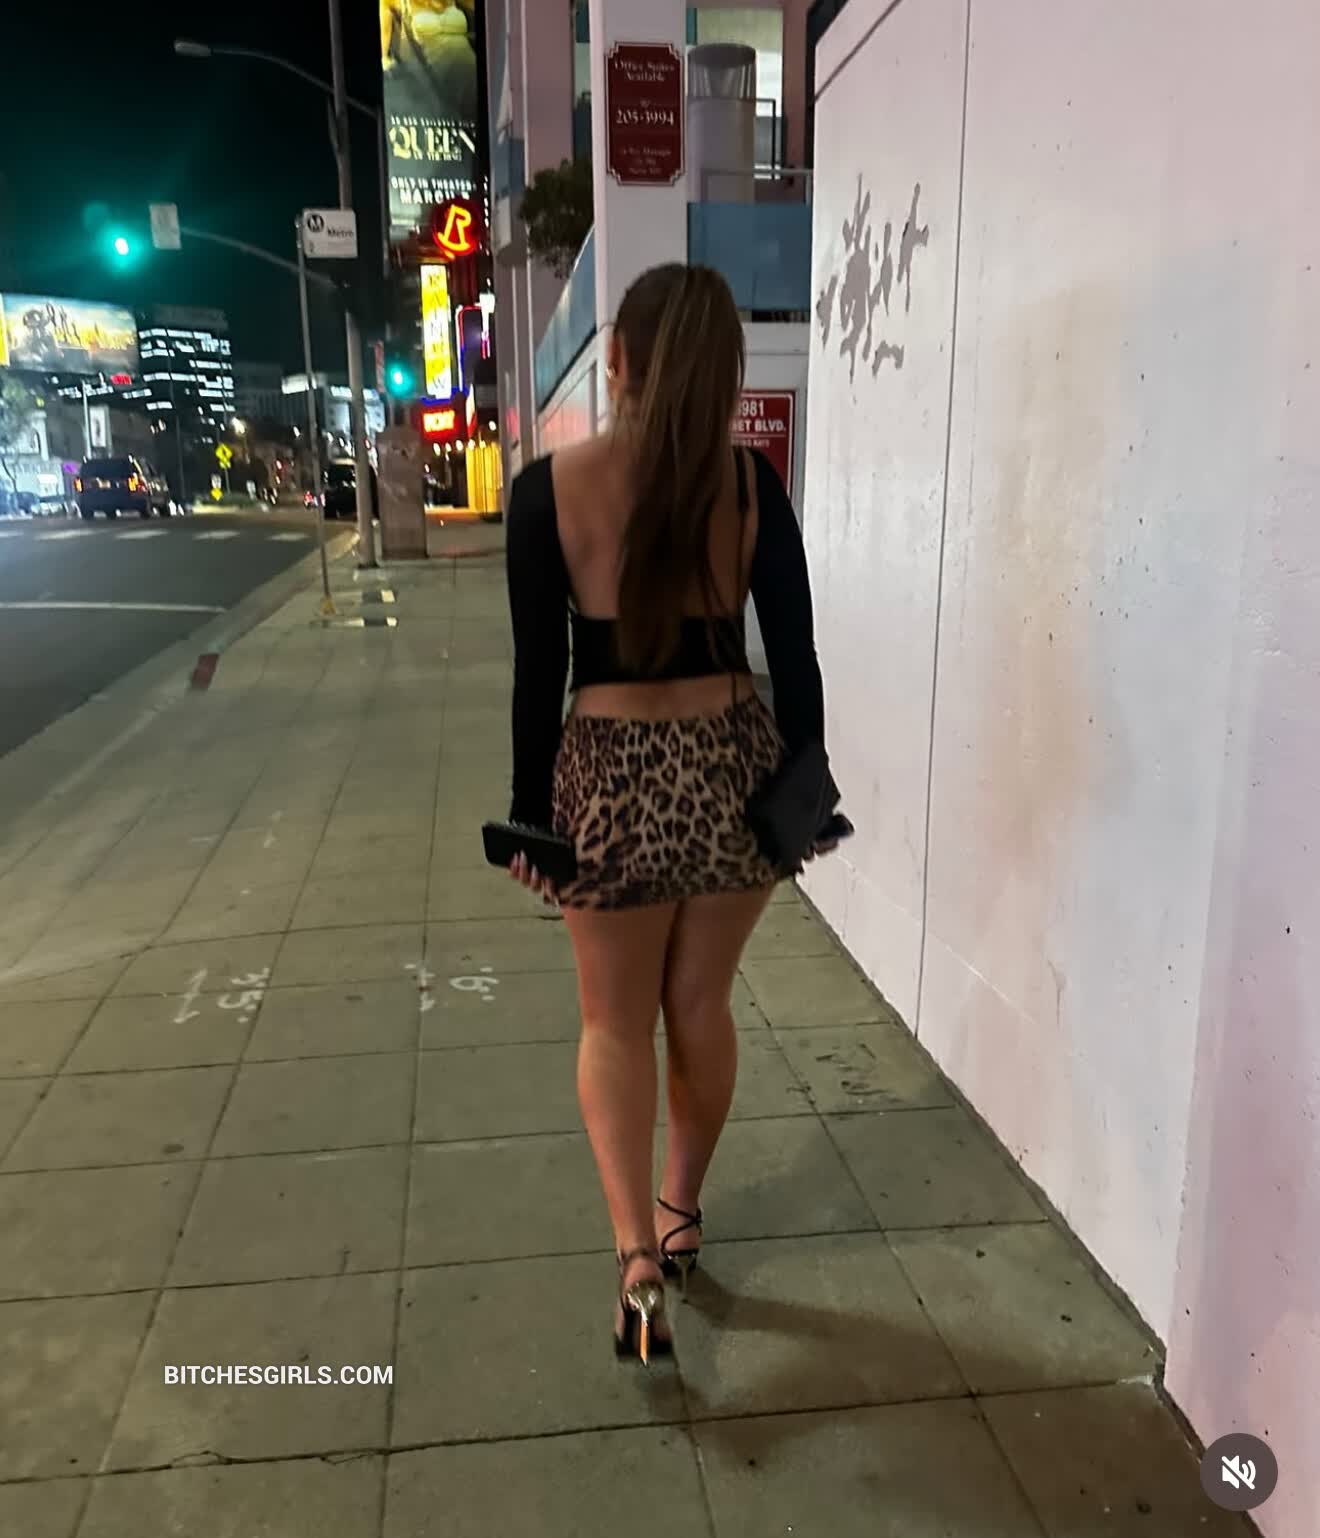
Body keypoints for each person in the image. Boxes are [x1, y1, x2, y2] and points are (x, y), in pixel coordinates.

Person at [504, 263, 838, 1363]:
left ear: (618, 360)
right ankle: (683, 1211)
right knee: (700, 1004)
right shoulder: (749, 486)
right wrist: (806, 790)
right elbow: (795, 656)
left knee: (613, 1022)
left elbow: (537, 675)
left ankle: (635, 1257)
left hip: (607, 778)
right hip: (730, 770)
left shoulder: (550, 491)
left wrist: (531, 813)